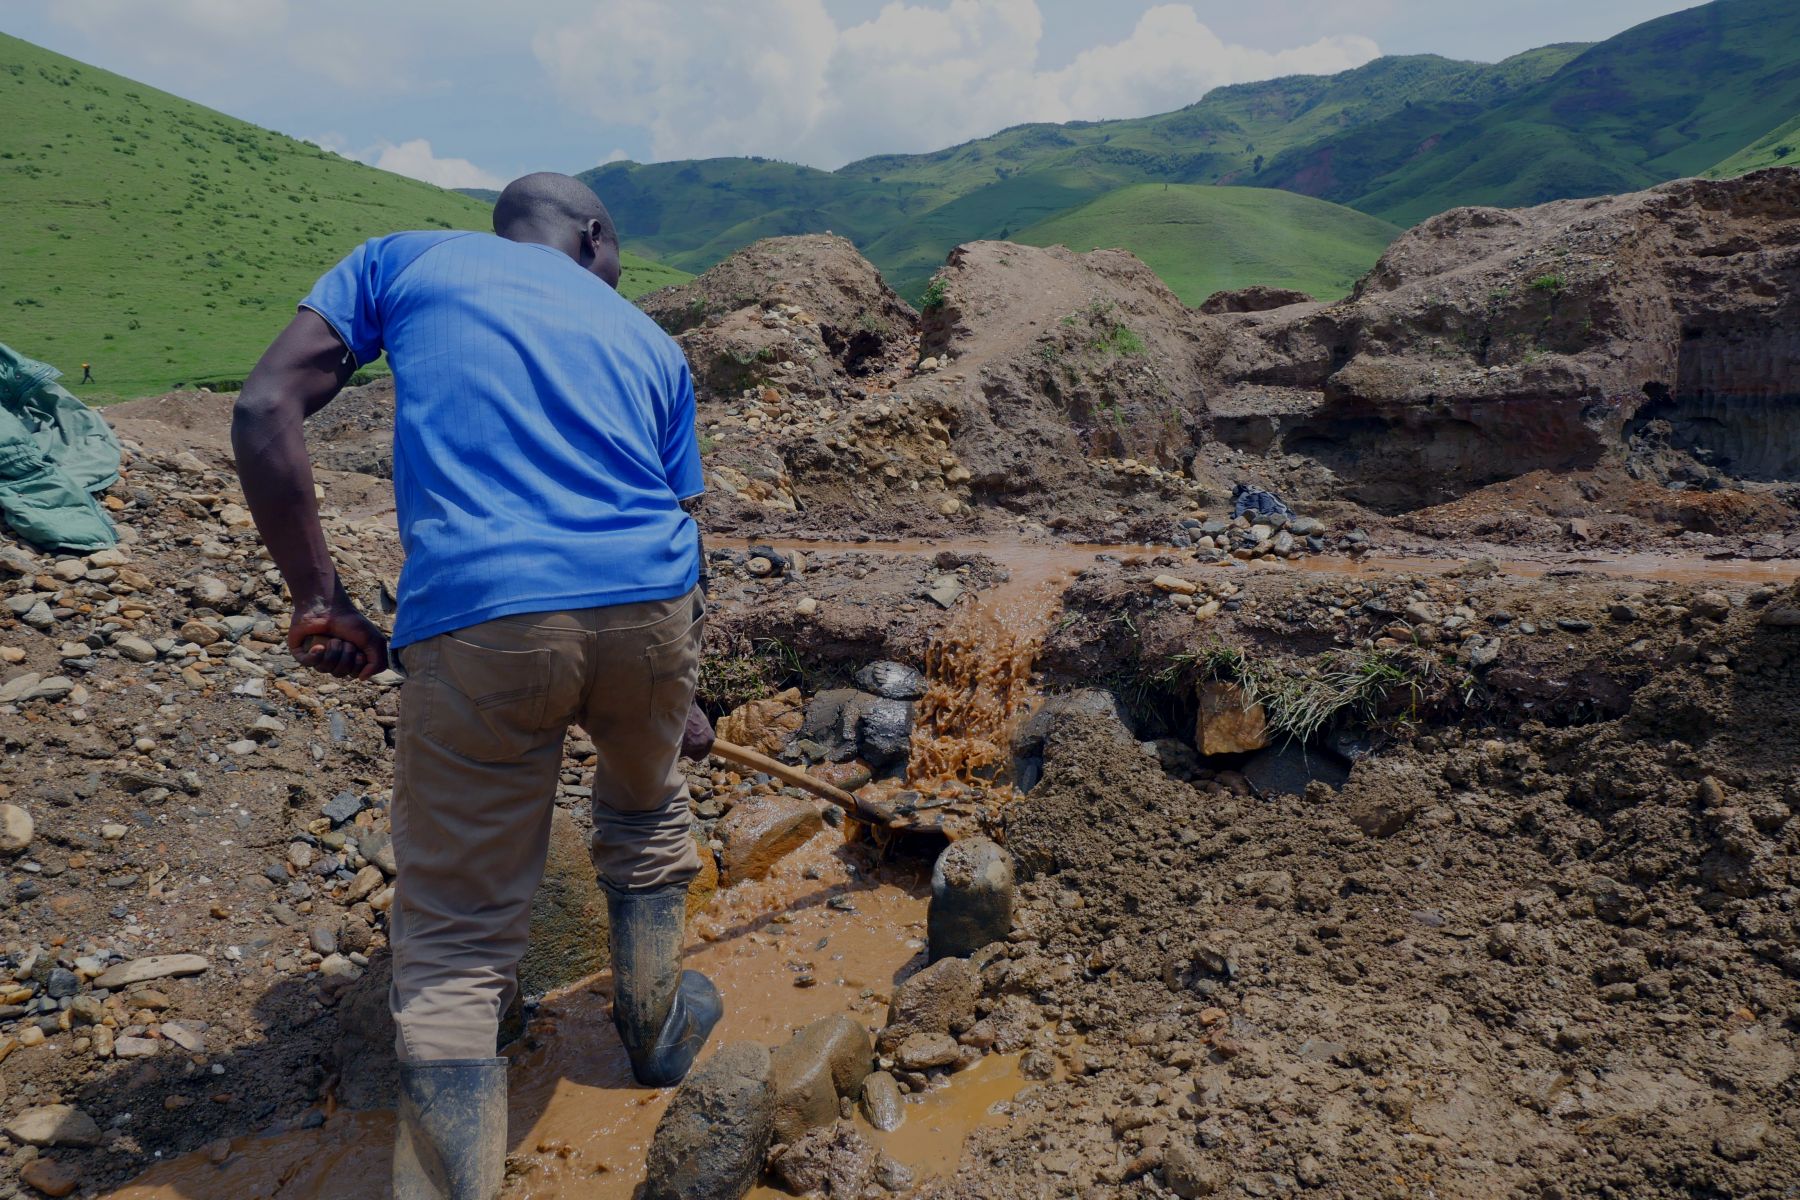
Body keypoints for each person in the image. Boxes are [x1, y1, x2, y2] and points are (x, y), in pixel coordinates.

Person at [230, 173, 722, 1200]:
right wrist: (676, 697)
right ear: (593, 237)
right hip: (654, 611)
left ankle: (457, 1183)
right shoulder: (649, 343)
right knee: (646, 813)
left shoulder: (405, 260)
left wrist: (319, 596)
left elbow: (266, 402)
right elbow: (680, 528)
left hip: (485, 616)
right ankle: (660, 1032)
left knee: (456, 932)